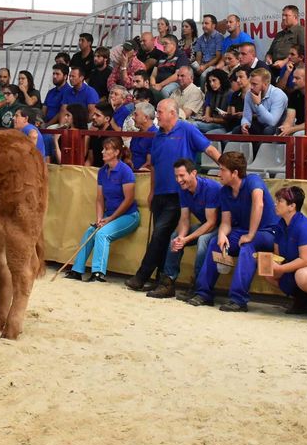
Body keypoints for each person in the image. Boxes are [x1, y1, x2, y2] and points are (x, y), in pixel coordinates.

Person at [124, 98, 220, 293]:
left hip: (178, 194)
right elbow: (154, 167)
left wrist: (225, 168)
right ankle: (161, 279)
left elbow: (209, 148)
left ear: (172, 113)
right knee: (163, 236)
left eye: (159, 111)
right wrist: (152, 191)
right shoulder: (157, 136)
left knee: (160, 233)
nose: (156, 116)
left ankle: (141, 276)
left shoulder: (187, 129)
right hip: (160, 192)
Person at [187, 151, 282, 313]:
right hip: (242, 230)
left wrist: (251, 234)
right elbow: (226, 222)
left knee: (248, 246)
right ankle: (203, 293)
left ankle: (238, 299)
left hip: (268, 231)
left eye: (222, 169)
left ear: (235, 173)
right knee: (214, 243)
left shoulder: (253, 181)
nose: (219, 173)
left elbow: (258, 205)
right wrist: (223, 234)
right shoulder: (225, 191)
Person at [63, 137, 139, 282]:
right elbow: (99, 198)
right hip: (109, 215)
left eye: (107, 149)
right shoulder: (102, 172)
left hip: (129, 216)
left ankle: (98, 272)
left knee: (102, 234)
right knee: (90, 232)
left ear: (116, 152)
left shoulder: (125, 171)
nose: (102, 151)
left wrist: (110, 219)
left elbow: (128, 200)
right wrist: (99, 218)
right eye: (103, 148)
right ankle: (77, 270)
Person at [150, 159, 221, 297]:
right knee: (175, 237)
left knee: (203, 241)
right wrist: (181, 237)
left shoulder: (211, 188)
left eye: (182, 175)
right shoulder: (183, 189)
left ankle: (198, 286)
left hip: (222, 226)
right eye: (176, 176)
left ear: (193, 173)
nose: (179, 179)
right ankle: (168, 282)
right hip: (207, 224)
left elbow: (211, 223)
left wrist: (187, 238)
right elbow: (184, 219)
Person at [262, 185, 307, 316]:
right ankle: (301, 300)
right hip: (296, 266)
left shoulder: (304, 227)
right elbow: (279, 256)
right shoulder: (280, 225)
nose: (275, 204)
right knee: (267, 271)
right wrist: (268, 261)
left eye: (280, 201)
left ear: (292, 206)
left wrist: (280, 269)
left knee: (302, 275)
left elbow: (306, 261)